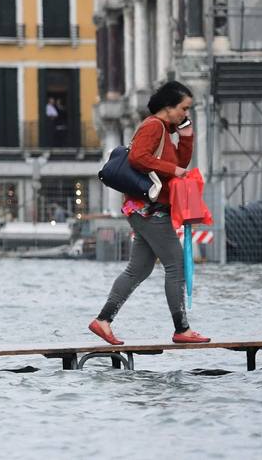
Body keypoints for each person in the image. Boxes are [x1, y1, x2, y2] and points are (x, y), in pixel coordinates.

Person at [89, 81, 211, 346]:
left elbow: (178, 163)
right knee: (176, 265)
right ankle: (182, 329)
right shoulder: (152, 126)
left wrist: (186, 137)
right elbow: (138, 159)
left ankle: (103, 321)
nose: (186, 114)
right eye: (184, 108)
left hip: (143, 209)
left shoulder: (165, 130)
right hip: (150, 210)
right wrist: (174, 171)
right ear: (168, 107)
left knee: (139, 269)